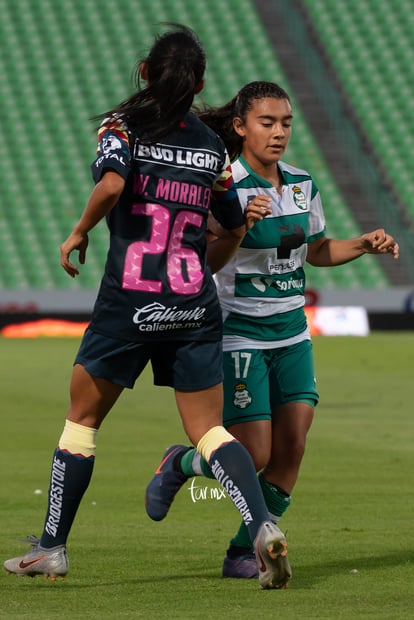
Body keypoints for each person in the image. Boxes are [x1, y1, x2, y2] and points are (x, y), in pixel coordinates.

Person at [3, 33, 292, 590]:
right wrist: (205, 261)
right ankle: (261, 528)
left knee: (81, 422)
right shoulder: (214, 149)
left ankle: (52, 548)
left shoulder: (121, 127)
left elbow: (112, 184)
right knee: (208, 429)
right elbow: (231, 229)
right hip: (193, 305)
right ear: (201, 85)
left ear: (143, 70)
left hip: (129, 303)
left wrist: (78, 231)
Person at [145, 80, 399, 581]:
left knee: (293, 448)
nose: (279, 132)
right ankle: (180, 464)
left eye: (285, 123)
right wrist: (236, 227)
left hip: (292, 334)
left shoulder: (302, 183)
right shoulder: (223, 187)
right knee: (255, 452)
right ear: (240, 127)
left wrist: (363, 244)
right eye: (267, 122)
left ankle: (244, 551)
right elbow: (200, 259)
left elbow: (318, 250)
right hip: (238, 332)